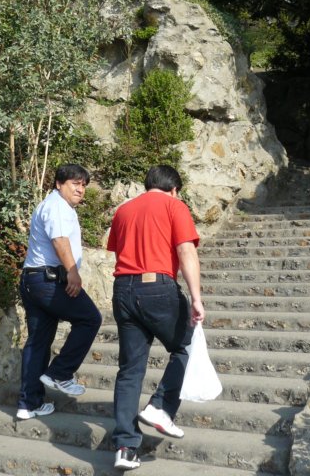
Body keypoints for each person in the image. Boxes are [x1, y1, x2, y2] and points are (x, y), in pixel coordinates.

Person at [107, 164, 205, 471]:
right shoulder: (174, 206)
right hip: (157, 287)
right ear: (174, 188)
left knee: (130, 369)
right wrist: (196, 298)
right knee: (187, 346)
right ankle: (160, 407)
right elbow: (186, 252)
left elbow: (117, 250)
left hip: (123, 289)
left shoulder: (123, 211)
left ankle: (125, 446)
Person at [17, 163, 102, 420]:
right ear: (58, 184)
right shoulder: (57, 207)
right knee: (90, 318)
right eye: (74, 183)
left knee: (38, 341)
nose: (80, 189)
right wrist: (73, 272)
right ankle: (60, 373)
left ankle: (28, 404)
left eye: (83, 185)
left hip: (33, 280)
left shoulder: (50, 205)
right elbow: (59, 241)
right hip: (49, 280)